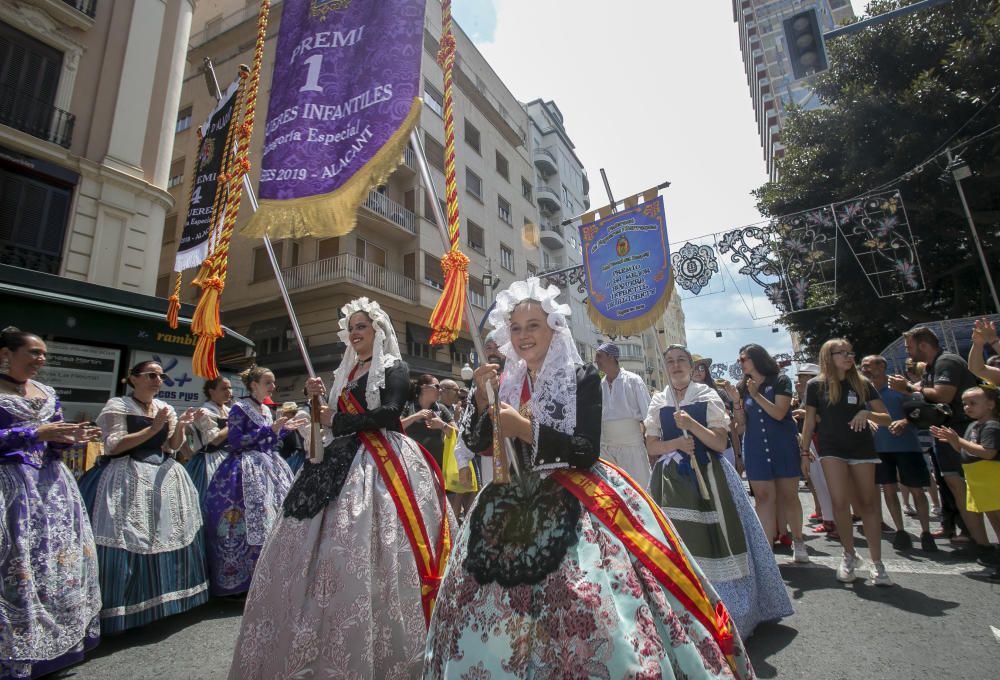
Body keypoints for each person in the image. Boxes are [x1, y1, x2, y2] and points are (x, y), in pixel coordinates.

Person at [423, 278, 753, 679]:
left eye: (533, 326)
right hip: (510, 500)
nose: (524, 336)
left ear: (553, 330)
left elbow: (584, 450)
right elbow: (478, 444)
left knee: (582, 595)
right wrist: (480, 402)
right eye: (516, 328)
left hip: (577, 498)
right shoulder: (504, 382)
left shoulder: (581, 377)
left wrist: (523, 428)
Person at [228, 298, 455, 678]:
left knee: (360, 536)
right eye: (351, 328)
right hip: (336, 460)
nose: (356, 333)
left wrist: (339, 418)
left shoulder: (393, 367)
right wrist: (315, 399)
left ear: (378, 330)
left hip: (381, 458)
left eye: (362, 326)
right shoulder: (344, 371)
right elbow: (327, 422)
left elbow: (389, 414)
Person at [645, 344, 793, 638]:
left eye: (681, 360)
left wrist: (692, 426)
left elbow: (718, 443)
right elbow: (651, 446)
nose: (675, 366)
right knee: (674, 543)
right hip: (670, 483)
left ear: (690, 364)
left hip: (710, 477)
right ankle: (681, 613)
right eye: (670, 361)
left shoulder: (707, 395)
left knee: (718, 540)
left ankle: (729, 612)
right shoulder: (659, 400)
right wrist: (674, 444)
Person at [0, 328, 102, 678]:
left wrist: (69, 437)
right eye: (34, 352)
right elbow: (33, 436)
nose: (41, 359)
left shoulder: (48, 392)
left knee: (54, 564)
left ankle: (56, 643)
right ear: (6, 354)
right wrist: (34, 433)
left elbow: (54, 439)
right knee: (17, 563)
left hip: (53, 488)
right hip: (11, 487)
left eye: (44, 353)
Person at [78, 360, 208, 633]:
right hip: (125, 473)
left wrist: (181, 426)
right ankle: (121, 609)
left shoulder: (166, 408)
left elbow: (173, 448)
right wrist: (151, 428)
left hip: (162, 474)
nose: (157, 380)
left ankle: (166, 601)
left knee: (165, 532)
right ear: (133, 379)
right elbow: (113, 446)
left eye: (161, 376)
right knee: (125, 534)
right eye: (151, 375)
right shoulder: (119, 405)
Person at [800, 339, 894, 585]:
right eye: (841, 353)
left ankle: (877, 563)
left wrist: (867, 413)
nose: (847, 356)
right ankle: (849, 555)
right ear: (827, 357)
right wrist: (803, 453)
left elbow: (886, 418)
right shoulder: (815, 385)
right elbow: (809, 423)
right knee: (840, 503)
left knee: (868, 504)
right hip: (831, 449)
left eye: (850, 352)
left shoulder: (862, 383)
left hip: (861, 448)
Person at [890, 326, 988, 558]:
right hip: (944, 432)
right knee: (955, 486)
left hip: (959, 431)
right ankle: (973, 538)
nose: (907, 352)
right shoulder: (931, 368)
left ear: (923, 345)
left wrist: (908, 388)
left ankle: (981, 542)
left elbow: (944, 395)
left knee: (965, 487)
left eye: (909, 347)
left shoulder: (947, 362)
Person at [202, 366, 301, 597]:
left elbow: (269, 440)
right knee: (246, 521)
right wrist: (270, 429)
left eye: (273, 383)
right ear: (253, 385)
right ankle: (243, 581)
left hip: (270, 466)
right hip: (244, 469)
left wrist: (283, 430)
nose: (273, 387)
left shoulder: (266, 408)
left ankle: (273, 574)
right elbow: (236, 441)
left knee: (274, 518)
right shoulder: (239, 408)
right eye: (268, 382)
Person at [732, 344, 807, 560]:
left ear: (756, 359)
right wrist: (737, 402)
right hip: (755, 447)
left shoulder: (780, 380)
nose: (740, 363)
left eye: (743, 359)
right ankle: (767, 551)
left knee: (789, 496)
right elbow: (742, 424)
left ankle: (799, 541)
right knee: (763, 498)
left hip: (781, 445)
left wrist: (756, 395)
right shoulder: (742, 386)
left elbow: (779, 412)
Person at [859, 355, 936, 552]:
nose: (865, 369)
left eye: (869, 365)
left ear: (882, 366)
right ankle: (900, 530)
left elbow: (922, 411)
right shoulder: (863, 390)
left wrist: (905, 422)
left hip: (907, 446)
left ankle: (926, 532)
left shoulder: (900, 385)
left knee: (917, 490)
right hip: (880, 449)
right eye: (863, 366)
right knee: (890, 490)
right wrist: (869, 421)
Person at [930, 385, 1000, 578]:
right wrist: (953, 441)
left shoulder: (992, 426)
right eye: (965, 404)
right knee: (994, 519)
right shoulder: (974, 425)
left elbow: (988, 452)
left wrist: (958, 440)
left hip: (992, 479)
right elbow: (965, 451)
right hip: (979, 480)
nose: (967, 407)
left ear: (991, 404)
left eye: (973, 403)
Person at [595, 341, 653, 487]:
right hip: (606, 450)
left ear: (611, 357)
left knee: (639, 489)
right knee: (613, 493)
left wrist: (652, 446)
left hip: (632, 448)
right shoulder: (599, 386)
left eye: (599, 356)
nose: (596, 361)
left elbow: (649, 415)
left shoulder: (634, 380)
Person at [791, 363, 837, 538]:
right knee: (817, 481)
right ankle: (828, 519)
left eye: (804, 377)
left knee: (828, 482)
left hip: (823, 441)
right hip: (811, 441)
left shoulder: (824, 395)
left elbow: (827, 417)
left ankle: (836, 522)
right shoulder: (806, 396)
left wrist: (807, 415)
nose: (800, 380)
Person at [694, 355, 743, 473]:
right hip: (698, 454)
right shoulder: (684, 398)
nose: (698, 371)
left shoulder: (719, 393)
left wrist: (738, 456)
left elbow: (731, 427)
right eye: (694, 368)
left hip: (724, 451)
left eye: (701, 367)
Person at [185, 376, 232, 499]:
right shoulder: (204, 412)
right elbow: (215, 440)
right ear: (211, 391)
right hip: (209, 460)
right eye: (224, 388)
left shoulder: (230, 411)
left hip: (229, 458)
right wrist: (233, 425)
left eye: (230, 388)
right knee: (208, 498)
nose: (229, 392)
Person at [401, 374, 456, 470]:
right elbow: (396, 427)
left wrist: (442, 425)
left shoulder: (441, 408)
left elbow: (457, 433)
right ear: (424, 387)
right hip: (412, 464)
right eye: (437, 386)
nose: (440, 390)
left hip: (437, 465)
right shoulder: (408, 406)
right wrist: (415, 416)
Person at [438, 378, 476, 516]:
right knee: (455, 495)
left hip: (464, 456)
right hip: (449, 460)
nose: (458, 394)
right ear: (444, 391)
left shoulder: (456, 408)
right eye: (456, 390)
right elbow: (446, 436)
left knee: (469, 491)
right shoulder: (438, 409)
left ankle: (468, 522)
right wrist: (454, 417)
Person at [277, 401, 307, 474]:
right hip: (292, 456)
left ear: (291, 413)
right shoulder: (286, 426)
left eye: (285, 413)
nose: (283, 415)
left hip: (294, 457)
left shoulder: (293, 425)